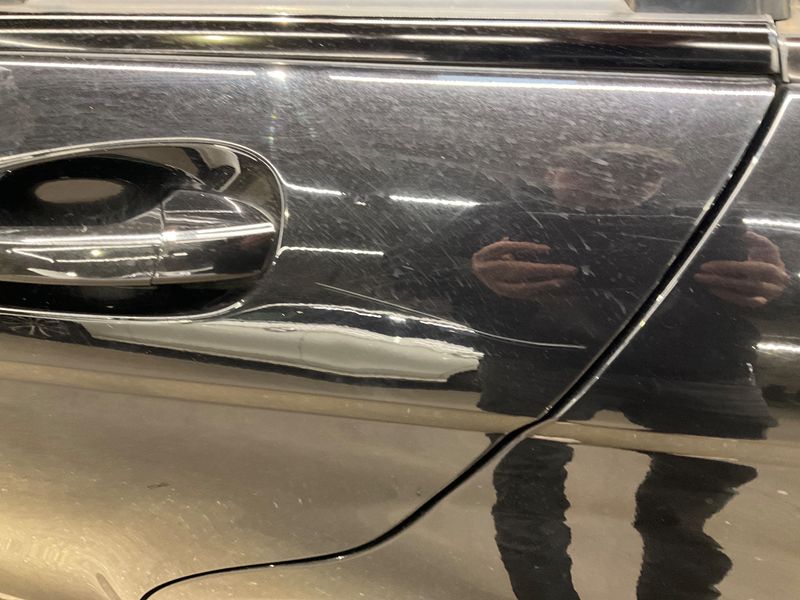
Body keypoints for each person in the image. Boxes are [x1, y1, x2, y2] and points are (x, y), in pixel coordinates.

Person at [466, 144, 785, 599]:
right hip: (545, 358)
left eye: (640, 173)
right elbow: (399, 266)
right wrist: (472, 274)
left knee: (690, 496)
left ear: (660, 182)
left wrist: (776, 286)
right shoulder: (504, 216)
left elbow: (765, 301)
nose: (614, 182)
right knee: (528, 491)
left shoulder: (701, 221)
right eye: (590, 169)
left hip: (692, 363)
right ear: (551, 169)